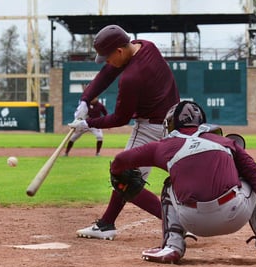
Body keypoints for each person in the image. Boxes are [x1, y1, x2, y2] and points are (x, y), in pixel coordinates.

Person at [110, 100, 256, 265]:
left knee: (169, 185)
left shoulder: (161, 147)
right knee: (252, 179)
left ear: (172, 124)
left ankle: (171, 245)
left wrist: (116, 173)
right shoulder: (225, 142)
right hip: (234, 215)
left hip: (192, 220)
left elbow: (119, 161)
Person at [68, 24, 180, 240]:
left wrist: (88, 124)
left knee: (124, 177)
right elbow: (107, 74)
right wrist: (85, 99)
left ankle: (174, 222)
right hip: (173, 125)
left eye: (108, 57)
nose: (107, 62)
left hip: (149, 128)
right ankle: (107, 223)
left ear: (119, 51)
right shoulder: (146, 46)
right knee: (130, 178)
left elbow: (120, 118)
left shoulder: (132, 78)